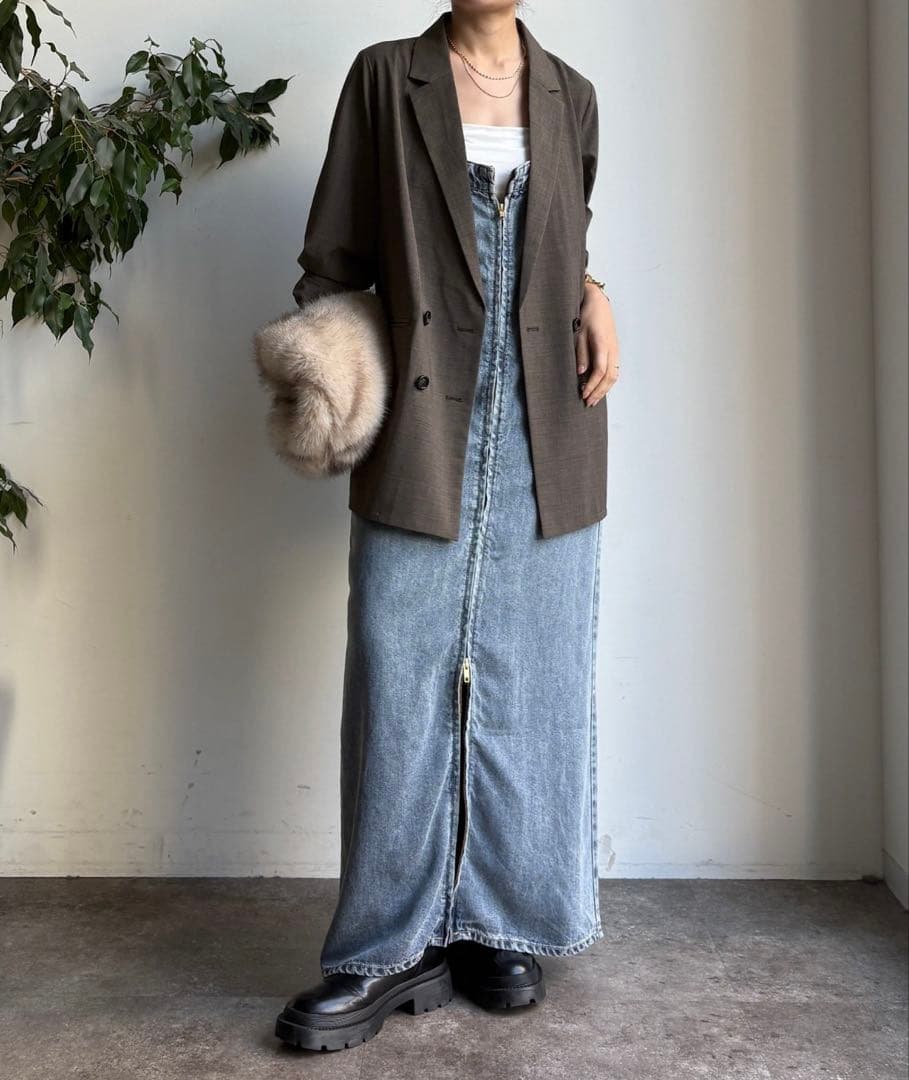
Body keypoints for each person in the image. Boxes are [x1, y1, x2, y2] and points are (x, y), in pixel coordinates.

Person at [274, 0, 621, 1052]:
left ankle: (492, 925)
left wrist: (595, 287)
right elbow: (333, 258)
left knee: (532, 684)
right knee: (400, 676)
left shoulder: (572, 97)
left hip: (548, 424)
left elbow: (563, 243)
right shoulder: (387, 78)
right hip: (422, 422)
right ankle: (384, 946)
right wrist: (330, 383)